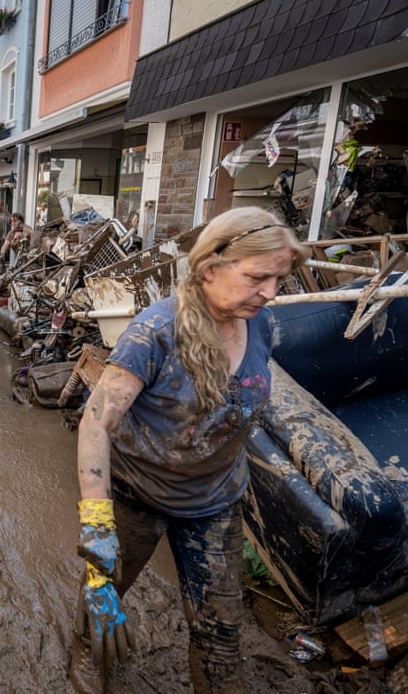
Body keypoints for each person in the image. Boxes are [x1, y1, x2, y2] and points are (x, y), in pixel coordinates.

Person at [74, 206, 304, 693]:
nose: (271, 293)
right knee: (106, 589)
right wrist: (97, 520)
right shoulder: (154, 332)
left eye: (279, 278)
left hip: (214, 502)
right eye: (258, 277)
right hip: (137, 494)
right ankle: (87, 653)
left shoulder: (258, 322)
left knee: (221, 630)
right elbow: (96, 422)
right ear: (210, 269)